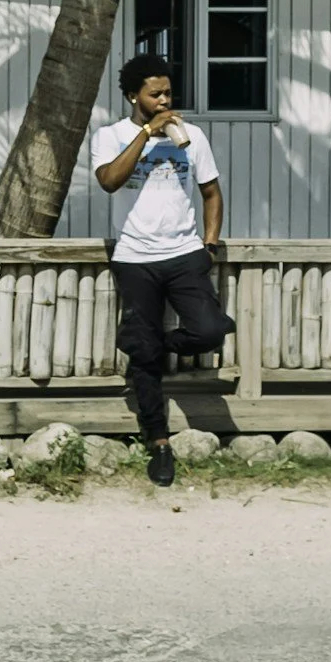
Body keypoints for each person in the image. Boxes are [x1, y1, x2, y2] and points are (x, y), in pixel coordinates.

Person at [93, 54, 236, 487]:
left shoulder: (191, 136)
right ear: (132, 95)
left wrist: (208, 247)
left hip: (184, 254)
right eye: (155, 94)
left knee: (210, 330)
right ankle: (158, 442)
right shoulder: (110, 135)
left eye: (168, 93)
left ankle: (153, 344)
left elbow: (211, 193)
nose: (164, 100)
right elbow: (109, 180)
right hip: (135, 257)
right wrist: (146, 134)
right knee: (144, 356)